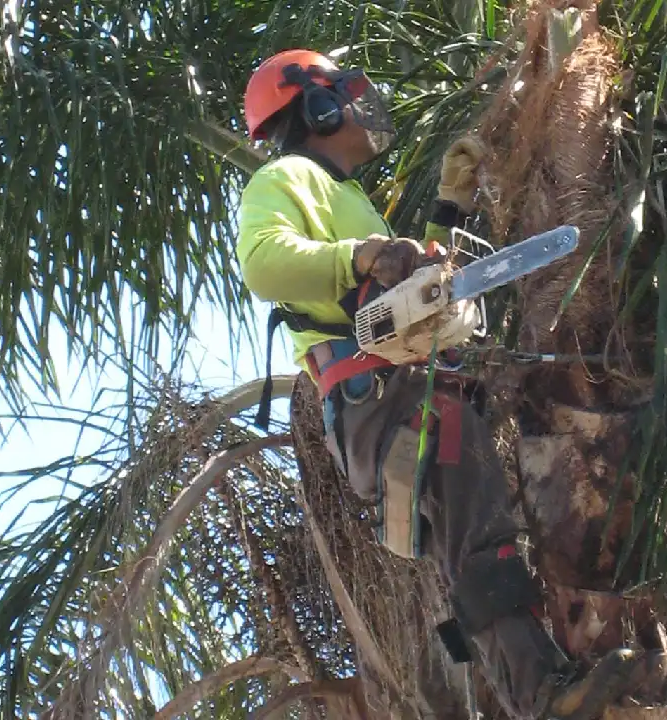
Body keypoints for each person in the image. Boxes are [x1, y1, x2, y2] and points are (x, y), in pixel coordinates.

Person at [236, 48, 640, 720]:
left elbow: (410, 288)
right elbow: (264, 265)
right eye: (345, 95)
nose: (362, 106)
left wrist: (446, 212)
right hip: (380, 399)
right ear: (318, 107)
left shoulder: (347, 196)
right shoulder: (286, 179)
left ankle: (541, 675)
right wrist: (363, 254)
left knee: (480, 530)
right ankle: (543, 696)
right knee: (479, 539)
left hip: (407, 393)